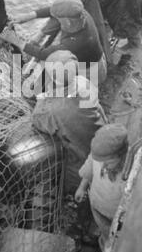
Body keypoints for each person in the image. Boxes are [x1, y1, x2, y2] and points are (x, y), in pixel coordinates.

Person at [31, 50, 108, 194]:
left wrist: (42, 98)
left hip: (83, 155)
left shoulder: (51, 111)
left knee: (68, 184)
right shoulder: (83, 82)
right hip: (101, 136)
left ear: (52, 79)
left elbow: (36, 119)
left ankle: (82, 192)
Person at [0, 0, 107, 85]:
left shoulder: (74, 43)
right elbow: (52, 11)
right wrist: (28, 17)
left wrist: (14, 39)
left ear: (68, 22)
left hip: (91, 72)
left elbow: (43, 54)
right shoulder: (79, 13)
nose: (57, 21)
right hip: (94, 58)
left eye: (60, 20)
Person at [75, 123, 128, 250]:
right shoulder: (99, 156)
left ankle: (113, 251)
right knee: (104, 230)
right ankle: (104, 243)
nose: (102, 166)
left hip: (116, 215)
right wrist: (82, 187)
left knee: (118, 237)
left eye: (108, 163)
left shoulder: (128, 174)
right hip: (97, 206)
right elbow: (89, 167)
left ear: (121, 155)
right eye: (100, 162)